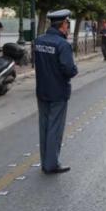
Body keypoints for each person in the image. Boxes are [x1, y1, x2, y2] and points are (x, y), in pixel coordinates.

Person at [34, 9, 78, 174]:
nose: (68, 27)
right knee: (55, 128)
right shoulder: (62, 44)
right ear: (62, 25)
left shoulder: (39, 41)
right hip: (58, 91)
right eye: (68, 24)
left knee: (44, 127)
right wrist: (75, 69)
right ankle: (51, 164)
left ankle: (45, 161)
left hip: (42, 90)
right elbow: (69, 70)